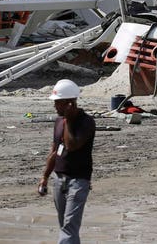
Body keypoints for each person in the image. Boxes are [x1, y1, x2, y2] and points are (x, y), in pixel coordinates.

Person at [37, 79, 96, 244]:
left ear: (70, 103)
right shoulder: (58, 121)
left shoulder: (86, 122)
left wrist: (69, 121)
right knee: (65, 225)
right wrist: (45, 177)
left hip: (79, 181)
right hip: (59, 179)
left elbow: (71, 145)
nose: (55, 106)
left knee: (69, 226)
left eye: (58, 103)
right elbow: (54, 151)